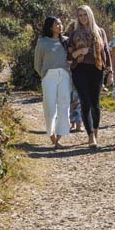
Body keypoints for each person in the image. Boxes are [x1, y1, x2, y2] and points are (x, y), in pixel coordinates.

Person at [67, 5, 112, 149]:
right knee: (85, 103)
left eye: (85, 15)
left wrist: (110, 72)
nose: (82, 18)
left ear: (90, 15)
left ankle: (96, 131)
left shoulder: (100, 32)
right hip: (79, 70)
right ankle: (90, 135)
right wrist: (80, 51)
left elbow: (106, 51)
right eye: (80, 15)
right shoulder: (74, 34)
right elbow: (69, 56)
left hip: (97, 69)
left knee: (95, 104)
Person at [33, 16, 71, 149]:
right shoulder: (42, 42)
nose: (60, 26)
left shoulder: (66, 41)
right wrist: (44, 75)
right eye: (57, 24)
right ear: (50, 27)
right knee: (49, 107)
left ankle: (59, 137)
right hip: (49, 76)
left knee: (64, 105)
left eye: (61, 23)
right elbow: (37, 63)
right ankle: (51, 134)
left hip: (65, 76)